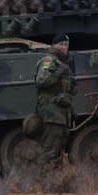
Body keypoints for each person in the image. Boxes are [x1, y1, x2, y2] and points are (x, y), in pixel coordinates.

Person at [34, 33, 76, 167]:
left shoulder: (62, 63)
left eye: (66, 45)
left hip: (61, 113)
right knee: (49, 150)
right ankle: (42, 182)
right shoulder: (49, 61)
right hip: (51, 113)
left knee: (57, 151)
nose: (64, 47)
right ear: (54, 45)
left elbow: (71, 89)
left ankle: (54, 182)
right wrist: (59, 72)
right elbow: (41, 81)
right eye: (61, 44)